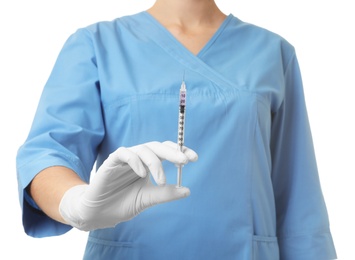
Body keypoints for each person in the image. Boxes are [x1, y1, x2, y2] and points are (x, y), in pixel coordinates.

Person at [16, 0, 337, 259]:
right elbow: (48, 154)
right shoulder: (96, 45)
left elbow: (299, 200)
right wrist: (78, 203)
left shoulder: (272, 52)